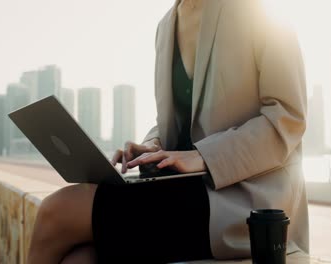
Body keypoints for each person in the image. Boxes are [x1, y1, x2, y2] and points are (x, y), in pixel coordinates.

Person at [27, 0, 309, 263]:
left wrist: (202, 157)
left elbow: (287, 117)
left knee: (59, 209)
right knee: (80, 259)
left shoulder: (259, 10)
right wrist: (153, 144)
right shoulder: (165, 26)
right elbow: (174, 121)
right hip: (182, 188)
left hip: (245, 201)